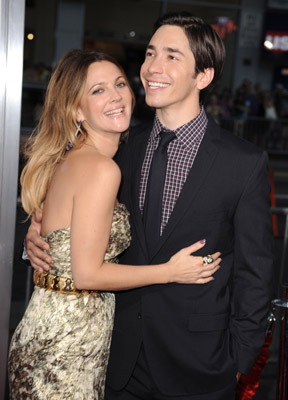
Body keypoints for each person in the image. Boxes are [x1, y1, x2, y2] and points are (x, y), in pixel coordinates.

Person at [25, 11, 274, 400]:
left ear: (203, 76)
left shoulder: (243, 163)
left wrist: (240, 360)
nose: (152, 67)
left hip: (201, 368)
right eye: (150, 53)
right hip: (116, 361)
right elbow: (74, 210)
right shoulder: (121, 145)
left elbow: (256, 274)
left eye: (172, 56)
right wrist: (39, 235)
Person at [9, 49, 222, 400]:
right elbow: (87, 274)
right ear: (76, 110)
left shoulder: (76, 159)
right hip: (66, 348)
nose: (116, 96)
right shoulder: (101, 168)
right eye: (97, 90)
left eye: (120, 84)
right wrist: (170, 271)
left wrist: (37, 233)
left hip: (56, 333)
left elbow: (59, 232)